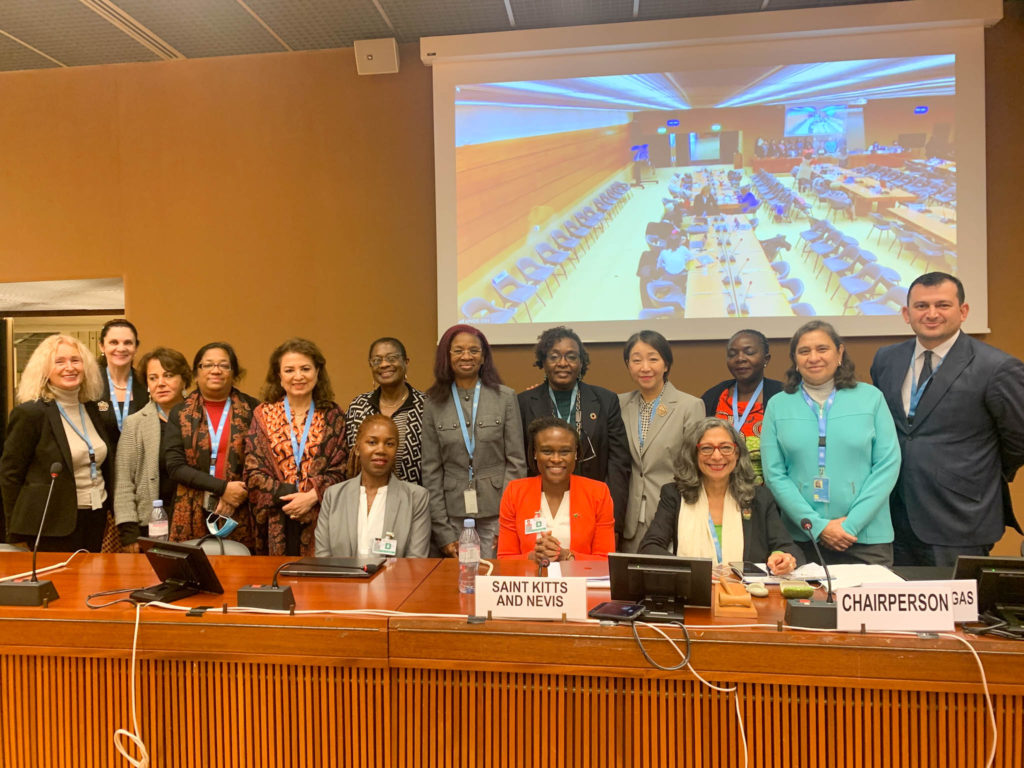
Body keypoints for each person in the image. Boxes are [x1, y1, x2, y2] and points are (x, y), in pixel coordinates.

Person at [870, 272, 1024, 567]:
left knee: (956, 598)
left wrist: (977, 470)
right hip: (893, 514)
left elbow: (1018, 440)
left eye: (942, 305)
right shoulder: (886, 359)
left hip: (959, 516)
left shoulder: (997, 367)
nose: (931, 314)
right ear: (906, 314)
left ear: (963, 311)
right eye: (921, 306)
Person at [761, 321, 900, 567]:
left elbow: (887, 466)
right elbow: (774, 475)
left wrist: (850, 525)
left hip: (865, 539)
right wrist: (817, 526)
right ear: (795, 359)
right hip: (803, 539)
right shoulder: (778, 405)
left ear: (840, 353)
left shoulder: (871, 399)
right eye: (804, 351)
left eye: (822, 349)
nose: (813, 357)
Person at [638, 418, 801, 573]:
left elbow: (788, 548)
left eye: (725, 448)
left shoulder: (759, 497)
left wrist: (781, 557)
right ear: (694, 454)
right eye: (707, 448)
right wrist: (692, 570)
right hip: (691, 588)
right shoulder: (675, 494)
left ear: (737, 453)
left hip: (744, 591)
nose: (717, 456)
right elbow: (649, 548)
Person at [0, 334, 114, 551]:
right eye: (59, 362)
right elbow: (10, 475)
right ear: (44, 370)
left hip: (95, 516)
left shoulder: (92, 409)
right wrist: (14, 532)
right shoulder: (31, 413)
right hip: (50, 525)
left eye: (75, 360)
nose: (69, 367)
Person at [421, 324, 527, 559]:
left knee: (495, 574)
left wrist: (507, 522)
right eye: (458, 350)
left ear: (484, 357)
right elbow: (431, 470)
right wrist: (443, 532)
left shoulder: (505, 398)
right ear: (447, 356)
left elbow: (516, 463)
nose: (466, 356)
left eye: (474, 350)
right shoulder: (433, 403)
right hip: (453, 515)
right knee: (459, 577)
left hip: (496, 513)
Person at [517, 326, 629, 536]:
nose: (563, 363)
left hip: (593, 506)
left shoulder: (605, 401)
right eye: (554, 357)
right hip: (540, 507)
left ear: (581, 362)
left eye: (571, 356)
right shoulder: (524, 403)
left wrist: (613, 520)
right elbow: (520, 462)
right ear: (543, 362)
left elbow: (618, 465)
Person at [245, 338, 348, 556]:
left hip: (321, 517)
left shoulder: (333, 415)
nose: (298, 376)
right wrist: (293, 497)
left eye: (305, 369)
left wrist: (312, 497)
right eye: (289, 370)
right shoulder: (263, 414)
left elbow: (341, 470)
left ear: (317, 372)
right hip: (276, 518)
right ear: (279, 375)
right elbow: (253, 471)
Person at [162, 342, 261, 552]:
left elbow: (261, 463)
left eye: (224, 365)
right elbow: (175, 466)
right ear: (196, 373)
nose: (216, 370)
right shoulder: (180, 413)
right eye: (208, 365)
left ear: (234, 373)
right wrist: (222, 489)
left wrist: (234, 494)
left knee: (239, 568)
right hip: (191, 508)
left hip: (241, 507)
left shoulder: (254, 409)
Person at [618, 330, 704, 552]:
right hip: (629, 517)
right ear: (628, 365)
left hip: (670, 513)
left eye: (653, 359)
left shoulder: (689, 406)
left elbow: (694, 467)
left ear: (666, 364)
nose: (645, 367)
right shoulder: (618, 404)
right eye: (636, 360)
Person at [498, 417, 614, 561]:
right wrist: (533, 557)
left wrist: (567, 556)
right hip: (530, 576)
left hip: (578, 576)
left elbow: (605, 561)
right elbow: (504, 559)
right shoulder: (515, 492)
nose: (556, 459)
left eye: (565, 452)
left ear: (576, 453)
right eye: (547, 451)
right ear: (535, 453)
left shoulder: (598, 493)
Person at [315, 415, 430, 558]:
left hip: (397, 574)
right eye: (372, 442)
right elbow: (323, 555)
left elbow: (416, 561)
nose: (381, 450)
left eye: (389, 444)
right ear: (357, 448)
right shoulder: (333, 496)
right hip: (339, 573)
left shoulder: (416, 498)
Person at [113, 347, 192, 551]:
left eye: (168, 375)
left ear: (184, 380)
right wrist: (129, 532)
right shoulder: (135, 423)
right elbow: (124, 481)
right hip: (150, 526)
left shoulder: (199, 419)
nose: (160, 383)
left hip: (195, 522)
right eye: (153, 378)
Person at [701, 330, 785, 482]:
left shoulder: (782, 397)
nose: (740, 359)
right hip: (719, 488)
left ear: (766, 359)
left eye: (749, 352)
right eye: (732, 354)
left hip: (767, 491)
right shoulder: (713, 396)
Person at [345, 337, 425, 485]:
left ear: (406, 362)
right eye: (377, 360)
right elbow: (349, 461)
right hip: (366, 495)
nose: (384, 364)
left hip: (414, 496)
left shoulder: (425, 406)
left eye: (392, 358)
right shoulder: (358, 407)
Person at [96, 319, 148, 438]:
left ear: (136, 347)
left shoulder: (146, 383)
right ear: (102, 346)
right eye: (114, 342)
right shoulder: (89, 384)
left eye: (128, 343)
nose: (121, 348)